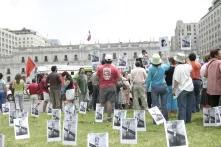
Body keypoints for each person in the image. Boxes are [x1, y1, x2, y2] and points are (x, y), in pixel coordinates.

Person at [97, 54, 120, 121]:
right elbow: (119, 77)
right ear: (111, 61)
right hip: (112, 86)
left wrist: (100, 81)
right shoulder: (114, 68)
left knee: (102, 102)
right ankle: (109, 117)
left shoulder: (100, 68)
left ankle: (101, 117)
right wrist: (115, 81)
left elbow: (97, 76)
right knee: (110, 102)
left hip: (102, 87)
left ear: (105, 60)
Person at [147, 54, 170, 120]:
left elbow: (148, 80)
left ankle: (157, 120)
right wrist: (166, 58)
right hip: (163, 86)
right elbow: (168, 65)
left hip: (155, 87)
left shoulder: (150, 68)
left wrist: (146, 88)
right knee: (164, 104)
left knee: (155, 104)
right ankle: (165, 118)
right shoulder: (163, 67)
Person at [173, 53, 194, 123]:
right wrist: (186, 59)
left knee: (182, 106)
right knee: (189, 105)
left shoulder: (177, 67)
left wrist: (174, 89)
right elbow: (189, 64)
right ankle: (188, 119)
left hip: (182, 88)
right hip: (190, 87)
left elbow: (176, 80)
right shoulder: (188, 66)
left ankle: (182, 121)